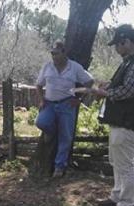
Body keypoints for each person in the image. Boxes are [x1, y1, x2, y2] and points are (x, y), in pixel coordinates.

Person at [90, 24, 134, 206]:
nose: (116, 49)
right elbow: (123, 85)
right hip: (120, 120)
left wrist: (105, 92)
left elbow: (129, 90)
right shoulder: (130, 61)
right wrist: (109, 85)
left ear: (126, 41)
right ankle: (117, 196)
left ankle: (125, 205)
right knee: (116, 161)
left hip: (128, 120)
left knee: (125, 165)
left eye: (118, 44)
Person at [35, 41, 94, 178]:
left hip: (67, 104)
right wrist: (42, 100)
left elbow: (90, 81)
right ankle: (51, 131)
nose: (54, 56)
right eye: (52, 54)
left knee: (65, 137)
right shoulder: (47, 67)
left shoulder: (74, 67)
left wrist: (79, 98)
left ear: (64, 52)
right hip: (49, 103)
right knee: (41, 123)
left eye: (56, 53)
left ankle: (59, 167)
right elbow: (38, 85)